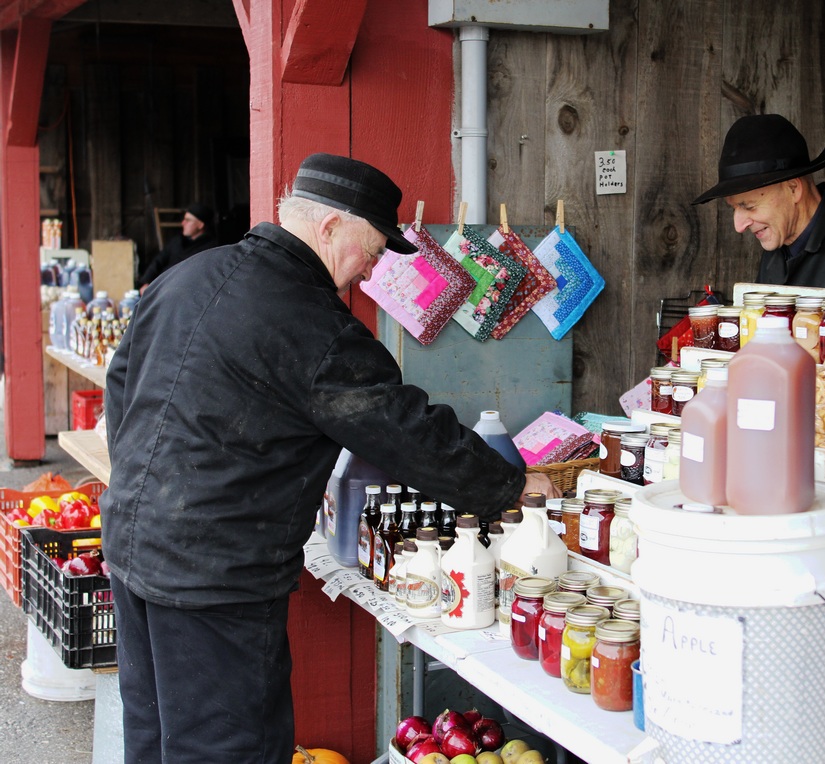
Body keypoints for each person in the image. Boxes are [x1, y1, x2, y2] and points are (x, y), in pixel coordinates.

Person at [101, 153, 560, 763]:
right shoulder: (312, 323)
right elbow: (405, 430)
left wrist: (141, 492)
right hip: (215, 578)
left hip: (134, 548)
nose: (371, 270)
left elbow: (120, 383)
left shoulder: (186, 276)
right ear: (329, 227)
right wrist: (511, 485)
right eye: (371, 248)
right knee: (223, 750)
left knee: (155, 740)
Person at [692, 114, 825, 292]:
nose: (739, 226)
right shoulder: (779, 240)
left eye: (748, 206)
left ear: (793, 189)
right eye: (734, 208)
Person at [138, 202, 218, 292]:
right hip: (160, 286)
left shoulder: (210, 248)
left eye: (188, 220)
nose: (183, 223)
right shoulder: (178, 240)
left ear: (200, 225)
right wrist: (146, 282)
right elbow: (158, 261)